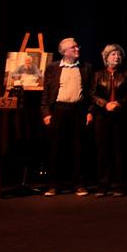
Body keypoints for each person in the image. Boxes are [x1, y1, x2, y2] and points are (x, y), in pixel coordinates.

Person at [41, 38, 93, 196]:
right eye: (73, 47)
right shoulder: (53, 68)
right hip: (58, 110)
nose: (77, 48)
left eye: (78, 46)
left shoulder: (86, 67)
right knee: (56, 149)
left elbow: (91, 93)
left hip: (78, 110)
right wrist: (46, 113)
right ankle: (54, 185)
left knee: (78, 149)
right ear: (64, 51)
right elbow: (46, 92)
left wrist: (90, 111)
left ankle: (79, 184)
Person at [89, 44, 127, 197]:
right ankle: (103, 186)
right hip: (102, 117)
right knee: (103, 152)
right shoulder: (98, 74)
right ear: (106, 58)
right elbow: (92, 94)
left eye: (119, 55)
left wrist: (119, 103)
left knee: (120, 152)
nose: (117, 57)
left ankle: (121, 186)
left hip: (121, 117)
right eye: (113, 54)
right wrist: (105, 104)